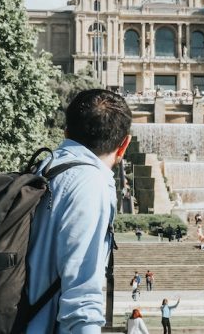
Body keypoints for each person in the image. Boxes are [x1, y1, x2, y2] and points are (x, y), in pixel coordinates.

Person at [26, 89, 132, 333]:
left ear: (66, 132)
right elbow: (82, 299)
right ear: (124, 144)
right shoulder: (90, 184)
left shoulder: (44, 168)